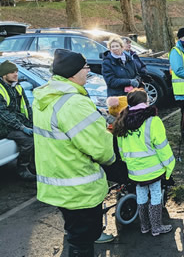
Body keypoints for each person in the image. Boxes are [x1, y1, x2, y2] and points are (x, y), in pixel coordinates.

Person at [33, 49, 116, 257]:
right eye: (85, 67)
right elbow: (100, 148)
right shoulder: (73, 103)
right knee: (83, 241)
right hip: (80, 188)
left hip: (57, 182)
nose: (89, 71)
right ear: (73, 73)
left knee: (74, 233)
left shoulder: (45, 97)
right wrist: (114, 160)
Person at [112, 89, 175, 237]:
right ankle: (157, 227)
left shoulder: (122, 121)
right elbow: (162, 146)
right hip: (153, 168)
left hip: (134, 170)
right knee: (155, 195)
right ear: (145, 102)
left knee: (141, 195)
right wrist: (169, 165)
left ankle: (144, 226)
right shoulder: (153, 121)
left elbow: (121, 148)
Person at [0, 60, 36, 180]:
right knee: (28, 140)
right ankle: (22, 168)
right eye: (12, 72)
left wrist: (32, 123)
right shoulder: (0, 89)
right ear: (4, 75)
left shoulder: (17, 87)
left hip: (17, 122)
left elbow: (26, 108)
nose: (16, 74)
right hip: (4, 126)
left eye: (16, 71)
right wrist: (22, 127)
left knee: (39, 134)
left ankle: (34, 166)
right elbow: (4, 114)